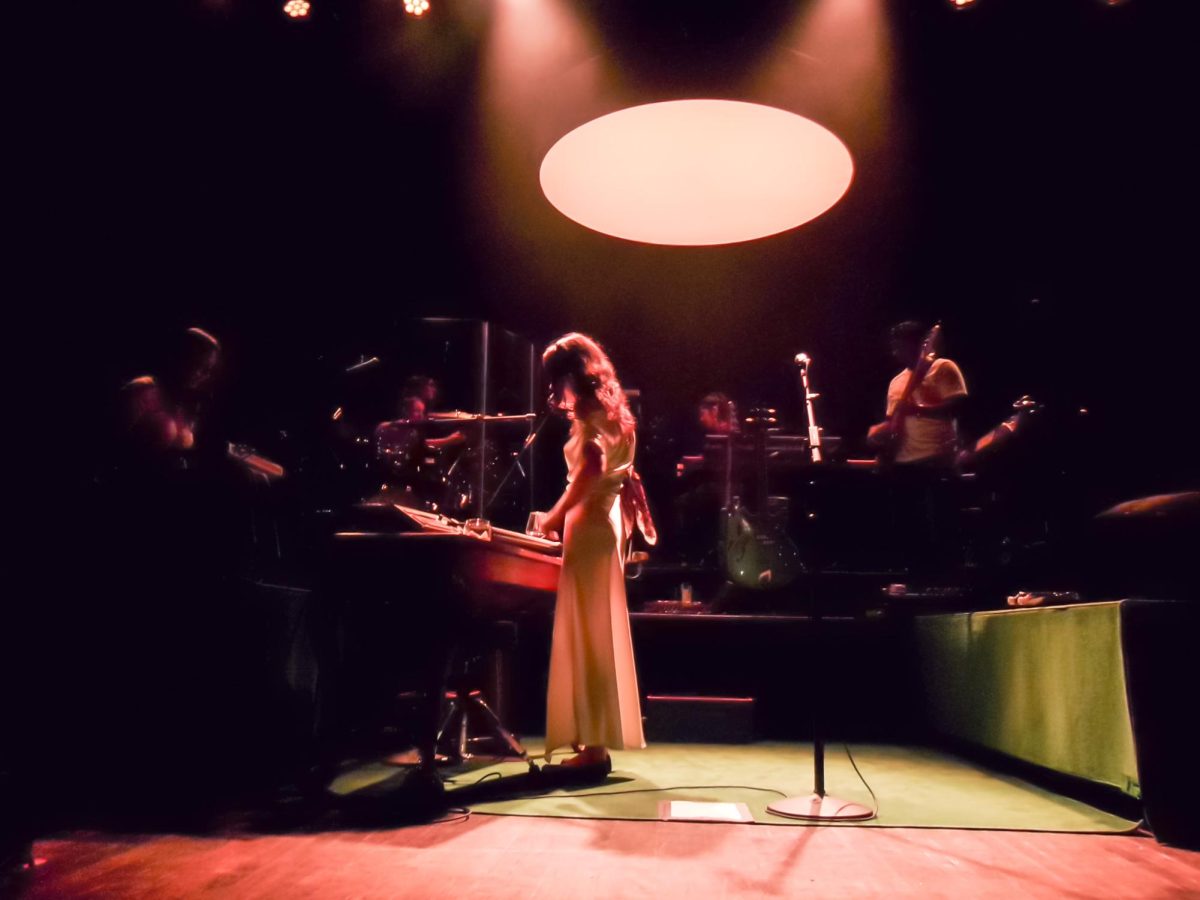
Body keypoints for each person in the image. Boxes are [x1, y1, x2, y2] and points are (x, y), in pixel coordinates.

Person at [534, 333, 647, 771]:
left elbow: (593, 465)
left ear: (569, 376)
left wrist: (553, 516)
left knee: (589, 635)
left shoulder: (589, 412)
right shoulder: (613, 409)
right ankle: (591, 741)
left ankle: (594, 749)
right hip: (606, 522)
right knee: (596, 633)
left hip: (590, 525)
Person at [867, 321, 967, 466]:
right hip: (902, 461)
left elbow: (957, 408)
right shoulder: (896, 382)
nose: (895, 352)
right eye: (894, 346)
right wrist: (879, 431)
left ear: (916, 344)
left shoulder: (943, 367)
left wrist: (918, 410)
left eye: (900, 345)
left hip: (936, 458)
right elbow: (893, 420)